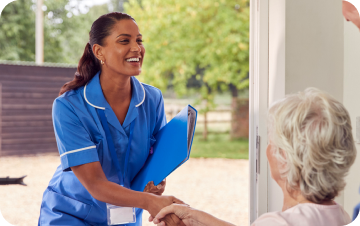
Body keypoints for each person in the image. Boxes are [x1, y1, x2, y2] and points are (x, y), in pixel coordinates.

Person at [38, 12, 185, 226]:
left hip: (126, 216)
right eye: (124, 41)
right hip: (71, 215)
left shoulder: (153, 99)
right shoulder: (69, 106)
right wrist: (149, 200)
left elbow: (157, 160)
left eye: (139, 40)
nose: (136, 48)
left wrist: (156, 183)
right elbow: (96, 184)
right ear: (99, 51)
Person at [151, 88, 356, 226]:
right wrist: (195, 217)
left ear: (284, 157)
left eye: (271, 141)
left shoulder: (281, 222)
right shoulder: (340, 216)